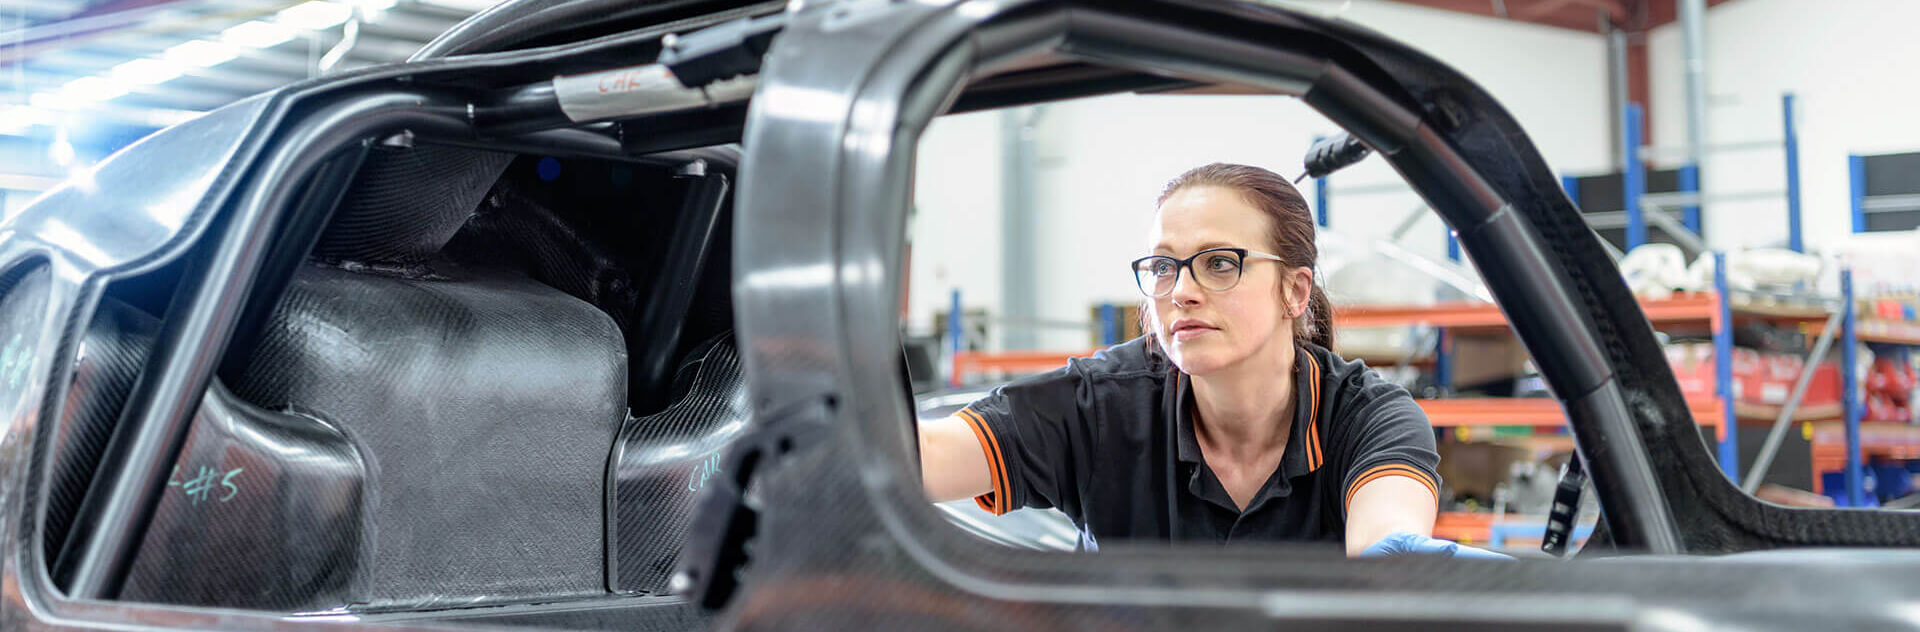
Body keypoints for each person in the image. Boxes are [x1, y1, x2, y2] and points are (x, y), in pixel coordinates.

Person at [919, 162, 1444, 556]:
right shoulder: (1102, 405)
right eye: (1164, 267)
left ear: (1295, 291)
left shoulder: (1368, 418)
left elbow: (1388, 547)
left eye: (1219, 263)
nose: (1182, 291)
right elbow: (923, 458)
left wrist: (1398, 565)